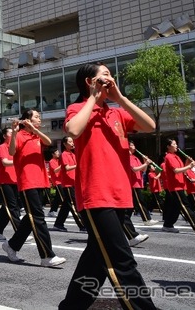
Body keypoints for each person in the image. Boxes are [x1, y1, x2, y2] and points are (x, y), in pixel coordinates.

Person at [59, 62, 156, 310]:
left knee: (96, 258)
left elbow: (150, 126)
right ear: (89, 82)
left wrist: (120, 97)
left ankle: (71, 307)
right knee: (122, 260)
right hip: (96, 196)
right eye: (104, 76)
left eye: (110, 75)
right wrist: (93, 98)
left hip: (120, 194)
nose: (109, 78)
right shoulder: (77, 107)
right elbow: (73, 130)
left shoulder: (116, 113)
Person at [2, 110, 65, 268]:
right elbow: (11, 152)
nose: (39, 119)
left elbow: (49, 141)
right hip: (27, 182)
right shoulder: (19, 135)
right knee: (38, 218)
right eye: (36, 117)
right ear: (27, 119)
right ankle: (46, 256)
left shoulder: (36, 136)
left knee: (30, 219)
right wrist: (15, 132)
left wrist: (35, 129)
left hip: (40, 181)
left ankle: (11, 245)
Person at [162, 139, 195, 234]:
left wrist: (189, 163)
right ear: (168, 146)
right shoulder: (169, 157)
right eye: (174, 144)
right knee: (185, 205)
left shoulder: (176, 156)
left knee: (176, 207)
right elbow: (176, 170)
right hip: (175, 186)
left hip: (180, 185)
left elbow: (183, 170)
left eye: (176, 143)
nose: (176, 145)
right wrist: (190, 166)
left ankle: (168, 225)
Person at [0, 127, 21, 241]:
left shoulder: (15, 148)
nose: (14, 134)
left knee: (7, 208)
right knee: (13, 207)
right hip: (5, 181)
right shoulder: (2, 147)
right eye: (11, 132)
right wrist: (18, 161)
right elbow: (5, 162)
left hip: (15, 181)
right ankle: (20, 232)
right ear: (4, 136)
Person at [52, 137, 85, 232]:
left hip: (74, 182)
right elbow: (67, 168)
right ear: (65, 144)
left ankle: (58, 224)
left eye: (72, 141)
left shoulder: (73, 154)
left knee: (66, 206)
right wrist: (78, 165)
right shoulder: (64, 154)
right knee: (73, 204)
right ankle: (82, 225)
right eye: (70, 142)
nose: (72, 143)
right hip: (68, 184)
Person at [128, 141, 156, 225]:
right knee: (140, 201)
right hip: (133, 183)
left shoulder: (135, 157)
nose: (134, 146)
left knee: (131, 206)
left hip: (138, 182)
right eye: (132, 145)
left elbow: (143, 170)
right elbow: (134, 169)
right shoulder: (127, 157)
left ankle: (123, 221)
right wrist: (146, 163)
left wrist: (145, 162)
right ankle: (147, 219)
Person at [47, 148, 62, 217]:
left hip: (62, 181)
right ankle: (53, 211)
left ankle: (52, 211)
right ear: (53, 154)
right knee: (62, 196)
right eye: (56, 152)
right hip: (57, 181)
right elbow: (55, 170)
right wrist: (62, 165)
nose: (58, 153)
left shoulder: (59, 161)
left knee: (58, 197)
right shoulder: (51, 161)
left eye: (58, 152)